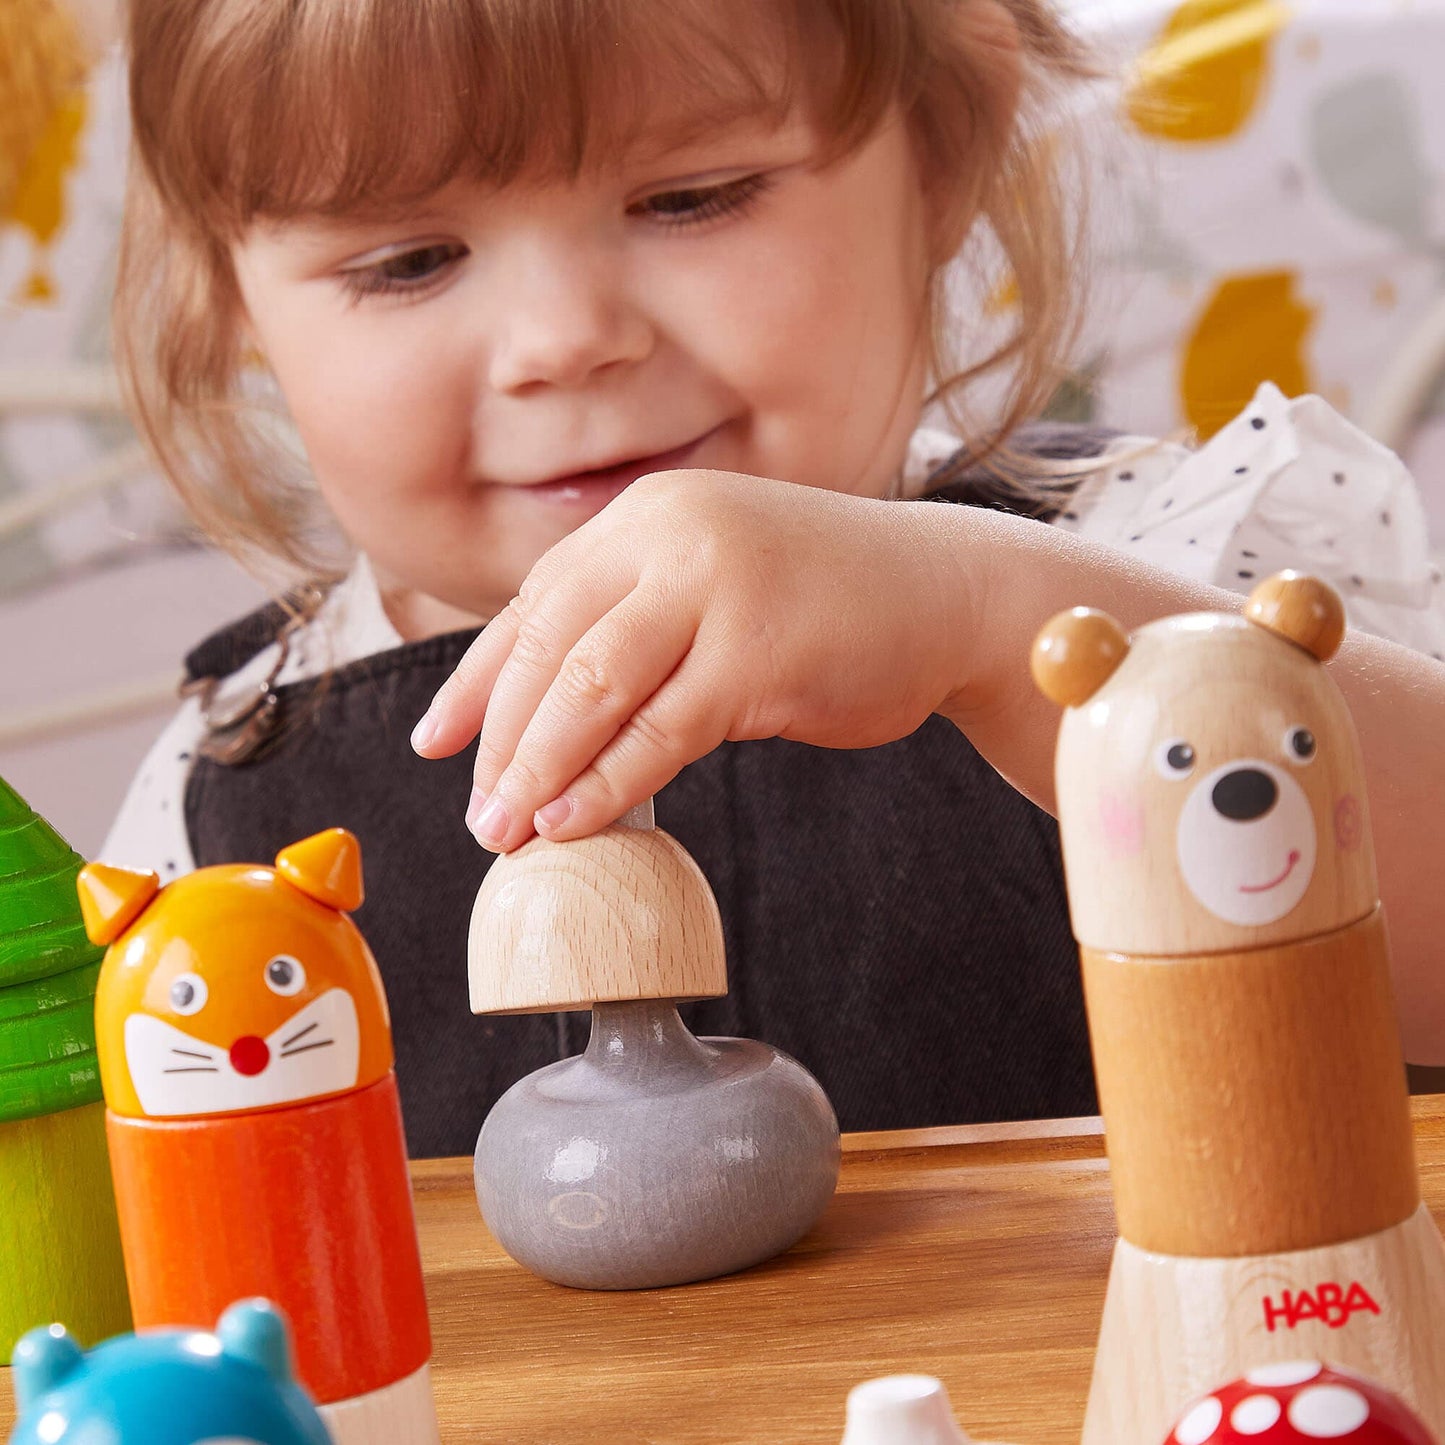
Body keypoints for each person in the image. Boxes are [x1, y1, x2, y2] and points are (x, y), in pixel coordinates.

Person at [106, 0, 1445, 1158]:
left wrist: (984, 623)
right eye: (409, 260)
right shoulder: (223, 784)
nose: (565, 342)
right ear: (229, 298)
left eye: (690, 196)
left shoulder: (1180, 552)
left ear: (942, 150)